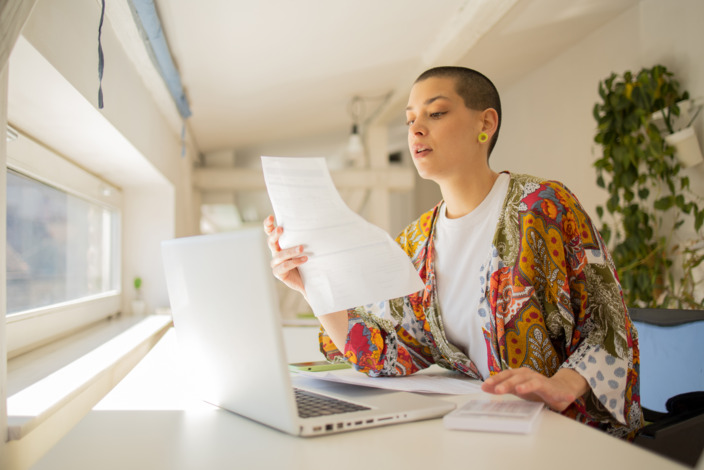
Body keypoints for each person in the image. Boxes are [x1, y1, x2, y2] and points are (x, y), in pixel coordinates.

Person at [264, 66, 642, 438]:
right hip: (482, 428)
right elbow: (389, 350)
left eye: (437, 113)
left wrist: (564, 383)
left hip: (563, 431)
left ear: (486, 123)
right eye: (410, 119)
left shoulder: (543, 207)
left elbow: (609, 321)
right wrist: (312, 286)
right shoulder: (416, 242)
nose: (416, 129)